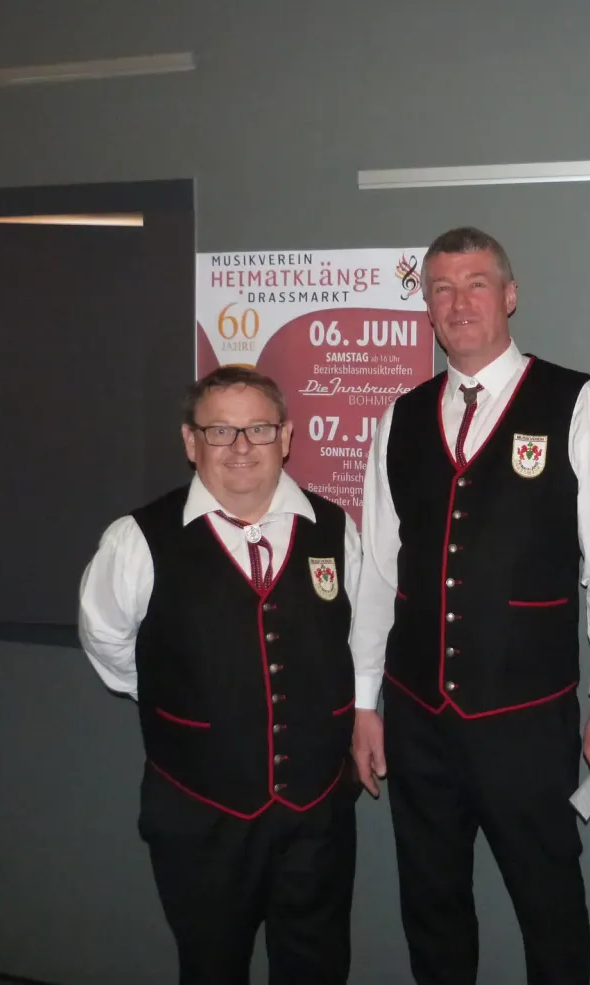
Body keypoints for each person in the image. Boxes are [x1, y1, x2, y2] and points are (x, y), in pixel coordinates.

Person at [349, 226, 590, 985]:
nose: (459, 301)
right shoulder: (399, 417)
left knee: (550, 909)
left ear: (509, 295)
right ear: (427, 308)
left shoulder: (574, 400)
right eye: (441, 288)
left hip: (526, 720)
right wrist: (364, 703)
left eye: (476, 282)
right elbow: (379, 570)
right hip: (418, 718)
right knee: (433, 907)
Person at [78, 366, 362, 985]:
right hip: (199, 812)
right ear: (191, 442)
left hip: (316, 812)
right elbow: (107, 642)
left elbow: (353, 641)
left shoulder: (336, 530)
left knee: (318, 968)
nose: (240, 447)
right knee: (210, 969)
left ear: (285, 437)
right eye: (220, 431)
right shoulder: (137, 541)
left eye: (258, 429)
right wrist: (186, 701)